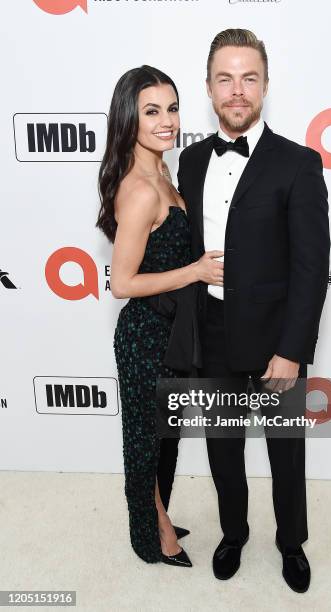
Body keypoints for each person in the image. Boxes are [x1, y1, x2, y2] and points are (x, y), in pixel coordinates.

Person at [177, 29, 330, 591]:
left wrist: (291, 351)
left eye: (248, 78)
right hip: (212, 332)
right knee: (222, 447)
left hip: (275, 340)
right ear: (210, 87)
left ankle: (291, 543)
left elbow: (312, 269)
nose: (237, 90)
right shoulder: (190, 162)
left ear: (265, 84)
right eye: (225, 78)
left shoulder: (298, 163)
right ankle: (233, 533)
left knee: (286, 452)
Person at [96, 65, 223, 567]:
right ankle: (153, 534)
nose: (167, 121)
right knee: (145, 442)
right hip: (145, 333)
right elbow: (122, 283)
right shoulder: (141, 188)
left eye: (172, 108)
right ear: (130, 119)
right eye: (152, 111)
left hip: (174, 331)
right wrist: (194, 271)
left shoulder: (163, 171)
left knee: (165, 438)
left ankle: (157, 512)